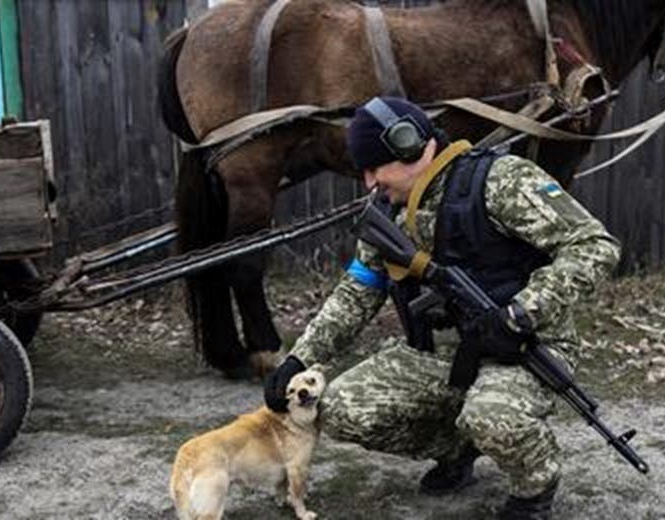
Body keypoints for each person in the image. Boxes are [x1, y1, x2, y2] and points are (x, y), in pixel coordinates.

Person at [264, 96, 620, 519]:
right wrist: (301, 358)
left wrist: (524, 311)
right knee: (340, 409)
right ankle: (457, 447)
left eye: (375, 167)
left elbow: (595, 246)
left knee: (493, 416)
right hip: (439, 354)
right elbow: (358, 291)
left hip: (524, 348)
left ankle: (534, 484)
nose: (369, 183)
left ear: (410, 145)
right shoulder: (387, 211)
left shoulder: (500, 180)